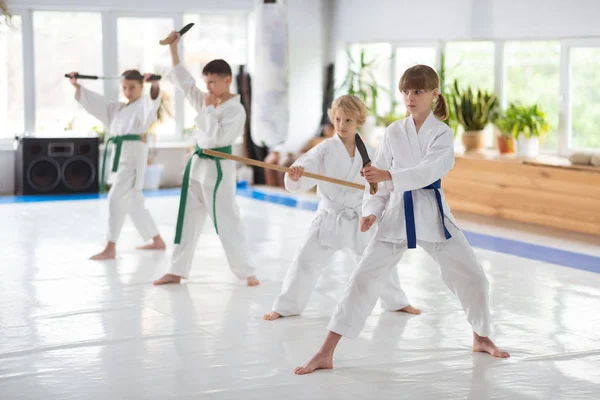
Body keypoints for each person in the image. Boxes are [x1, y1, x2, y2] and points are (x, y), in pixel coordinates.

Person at [295, 65, 509, 375]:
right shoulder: (394, 131)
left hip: (432, 212)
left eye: (418, 91)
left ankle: (481, 336)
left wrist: (388, 175)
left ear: (434, 95)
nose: (410, 97)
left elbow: (428, 171)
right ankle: (326, 351)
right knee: (362, 278)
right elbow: (378, 182)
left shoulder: (443, 133)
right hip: (396, 212)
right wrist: (371, 210)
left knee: (472, 276)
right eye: (406, 91)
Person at [264, 95, 419, 321]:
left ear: (358, 122)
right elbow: (304, 171)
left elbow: (380, 183)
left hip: (359, 217)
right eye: (337, 119)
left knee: (378, 260)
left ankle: (396, 301)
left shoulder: (369, 151)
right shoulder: (325, 149)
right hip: (330, 217)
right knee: (305, 261)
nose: (341, 125)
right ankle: (286, 306)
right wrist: (297, 174)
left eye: (348, 120)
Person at [153, 31, 259, 287]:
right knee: (187, 219)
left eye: (213, 82)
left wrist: (209, 109)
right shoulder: (207, 100)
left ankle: (247, 273)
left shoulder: (236, 109)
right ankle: (176, 270)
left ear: (227, 80)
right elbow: (185, 82)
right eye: (207, 82)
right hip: (198, 167)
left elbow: (217, 139)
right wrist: (174, 48)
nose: (208, 87)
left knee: (227, 220)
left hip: (219, 169)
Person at [69, 70, 166, 260]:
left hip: (133, 153)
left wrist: (154, 84)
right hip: (121, 153)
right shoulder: (119, 109)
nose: (128, 91)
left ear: (141, 87)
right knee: (133, 202)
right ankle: (157, 239)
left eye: (132, 87)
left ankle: (110, 246)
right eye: (124, 87)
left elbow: (154, 100)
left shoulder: (143, 105)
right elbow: (97, 102)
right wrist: (77, 85)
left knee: (115, 197)